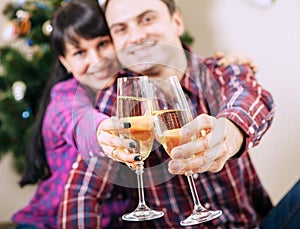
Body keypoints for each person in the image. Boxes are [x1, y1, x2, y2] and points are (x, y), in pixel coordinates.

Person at [56, 1, 298, 229]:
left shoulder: (222, 71)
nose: (136, 37)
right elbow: (82, 193)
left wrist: (229, 134)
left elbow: (253, 99)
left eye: (147, 19)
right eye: (121, 29)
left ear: (177, 22)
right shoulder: (116, 105)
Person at [11, 1, 121, 228]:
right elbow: (80, 121)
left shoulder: (124, 89)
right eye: (80, 52)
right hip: (49, 222)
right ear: (65, 61)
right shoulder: (64, 98)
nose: (96, 59)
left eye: (103, 44)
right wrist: (103, 130)